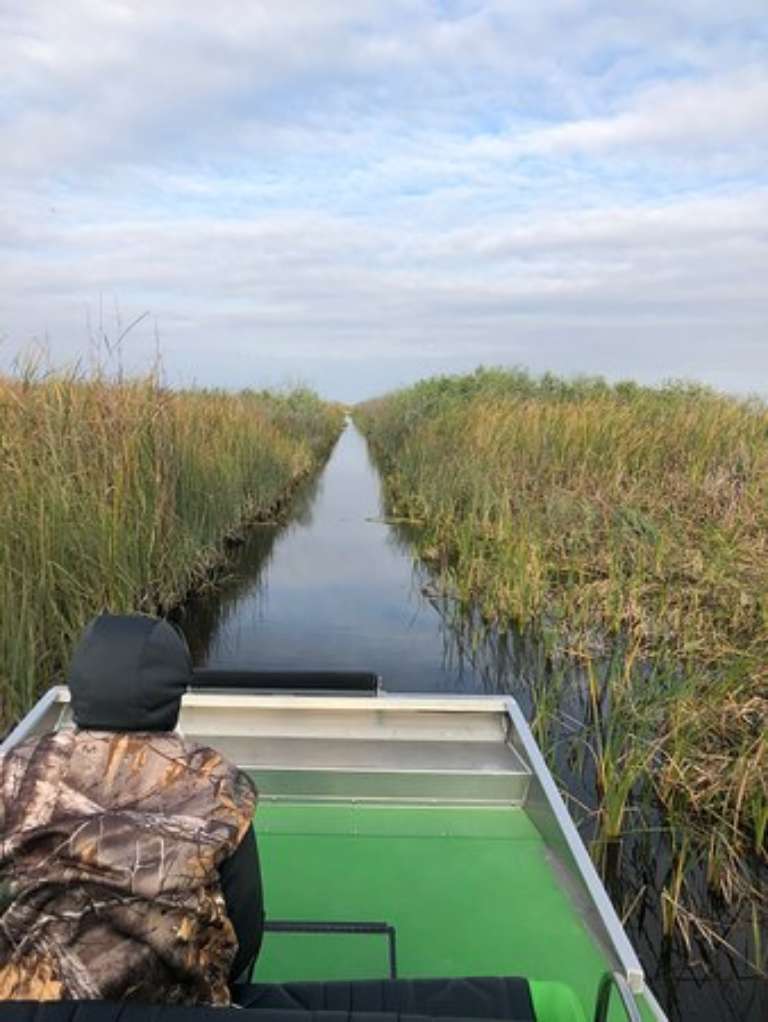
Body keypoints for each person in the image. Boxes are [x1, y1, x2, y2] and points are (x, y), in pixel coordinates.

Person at [0, 613, 264, 1005]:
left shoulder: (13, 771)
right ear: (173, 697)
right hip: (176, 1009)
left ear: (79, 687)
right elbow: (245, 927)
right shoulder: (219, 783)